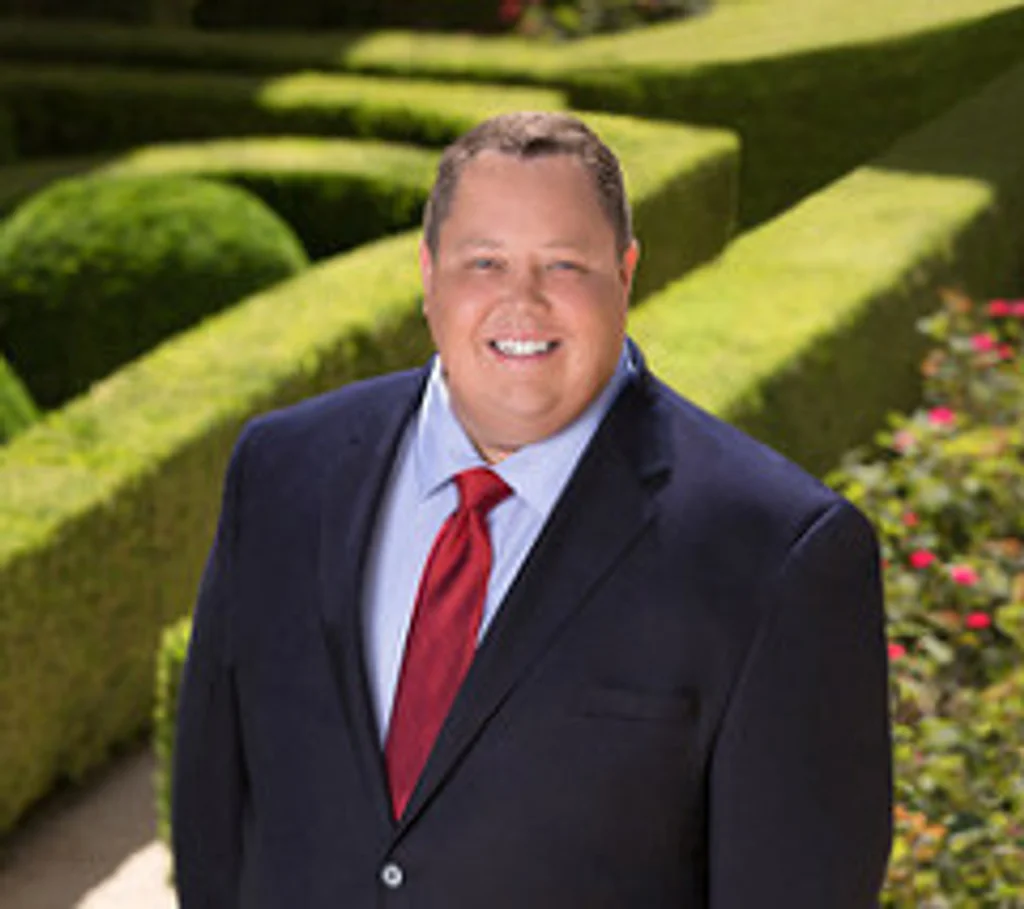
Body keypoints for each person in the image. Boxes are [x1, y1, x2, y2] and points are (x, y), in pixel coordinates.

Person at [172, 111, 893, 908]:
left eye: (564, 265)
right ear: (428, 273)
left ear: (625, 272)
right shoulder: (281, 472)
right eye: (485, 262)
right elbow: (214, 817)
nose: (522, 301)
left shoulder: (778, 552)